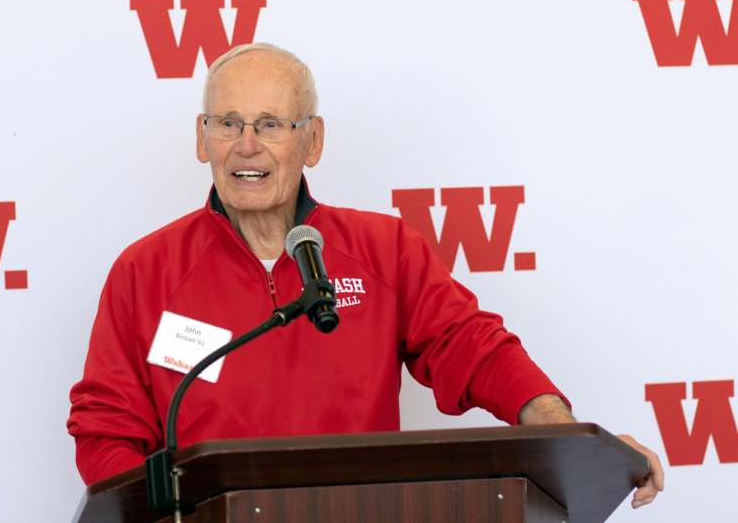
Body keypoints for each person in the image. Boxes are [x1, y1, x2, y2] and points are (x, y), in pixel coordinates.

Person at [67, 43, 663, 509]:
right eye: (227, 123)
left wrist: (570, 436)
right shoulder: (144, 271)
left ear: (313, 141)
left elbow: (472, 347)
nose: (246, 146)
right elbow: (107, 429)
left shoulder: (384, 249)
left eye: (271, 124)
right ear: (202, 139)